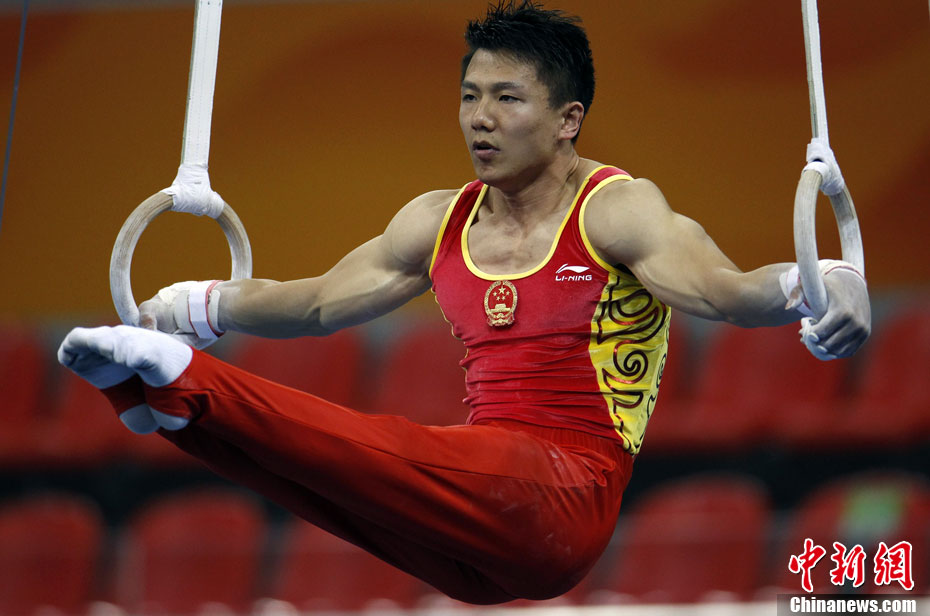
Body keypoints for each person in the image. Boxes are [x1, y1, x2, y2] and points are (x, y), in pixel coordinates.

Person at [58, 0, 870, 605]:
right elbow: (314, 306)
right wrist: (194, 303)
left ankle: (180, 381)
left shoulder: (617, 210)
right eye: (470, 96)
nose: (480, 119)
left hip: (564, 498)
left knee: (374, 446)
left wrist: (827, 280)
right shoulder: (437, 221)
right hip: (478, 539)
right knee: (318, 485)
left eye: (508, 98)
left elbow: (729, 294)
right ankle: (168, 405)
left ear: (567, 119)